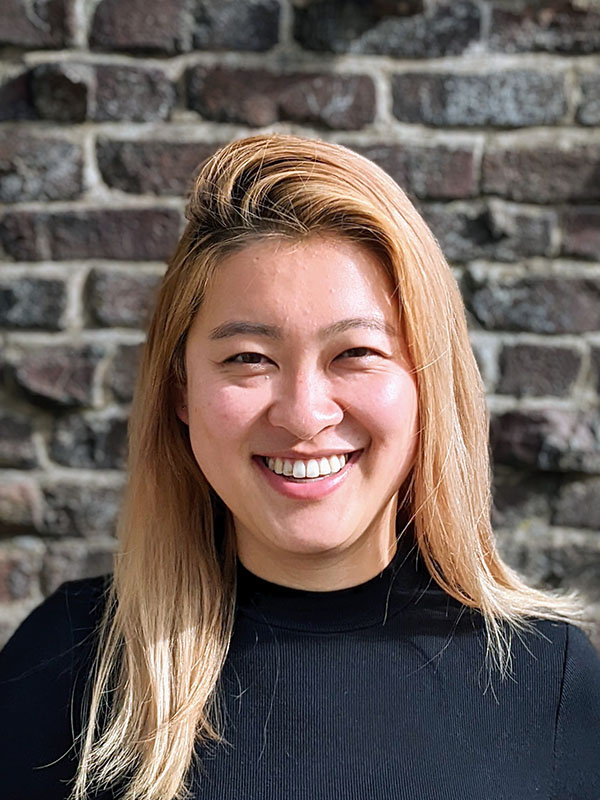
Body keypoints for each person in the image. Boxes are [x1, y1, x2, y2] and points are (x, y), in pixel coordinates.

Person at [0, 132, 599, 800]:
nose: (304, 414)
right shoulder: (73, 660)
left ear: (429, 383)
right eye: (250, 358)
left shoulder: (548, 681)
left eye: (356, 354)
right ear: (181, 392)